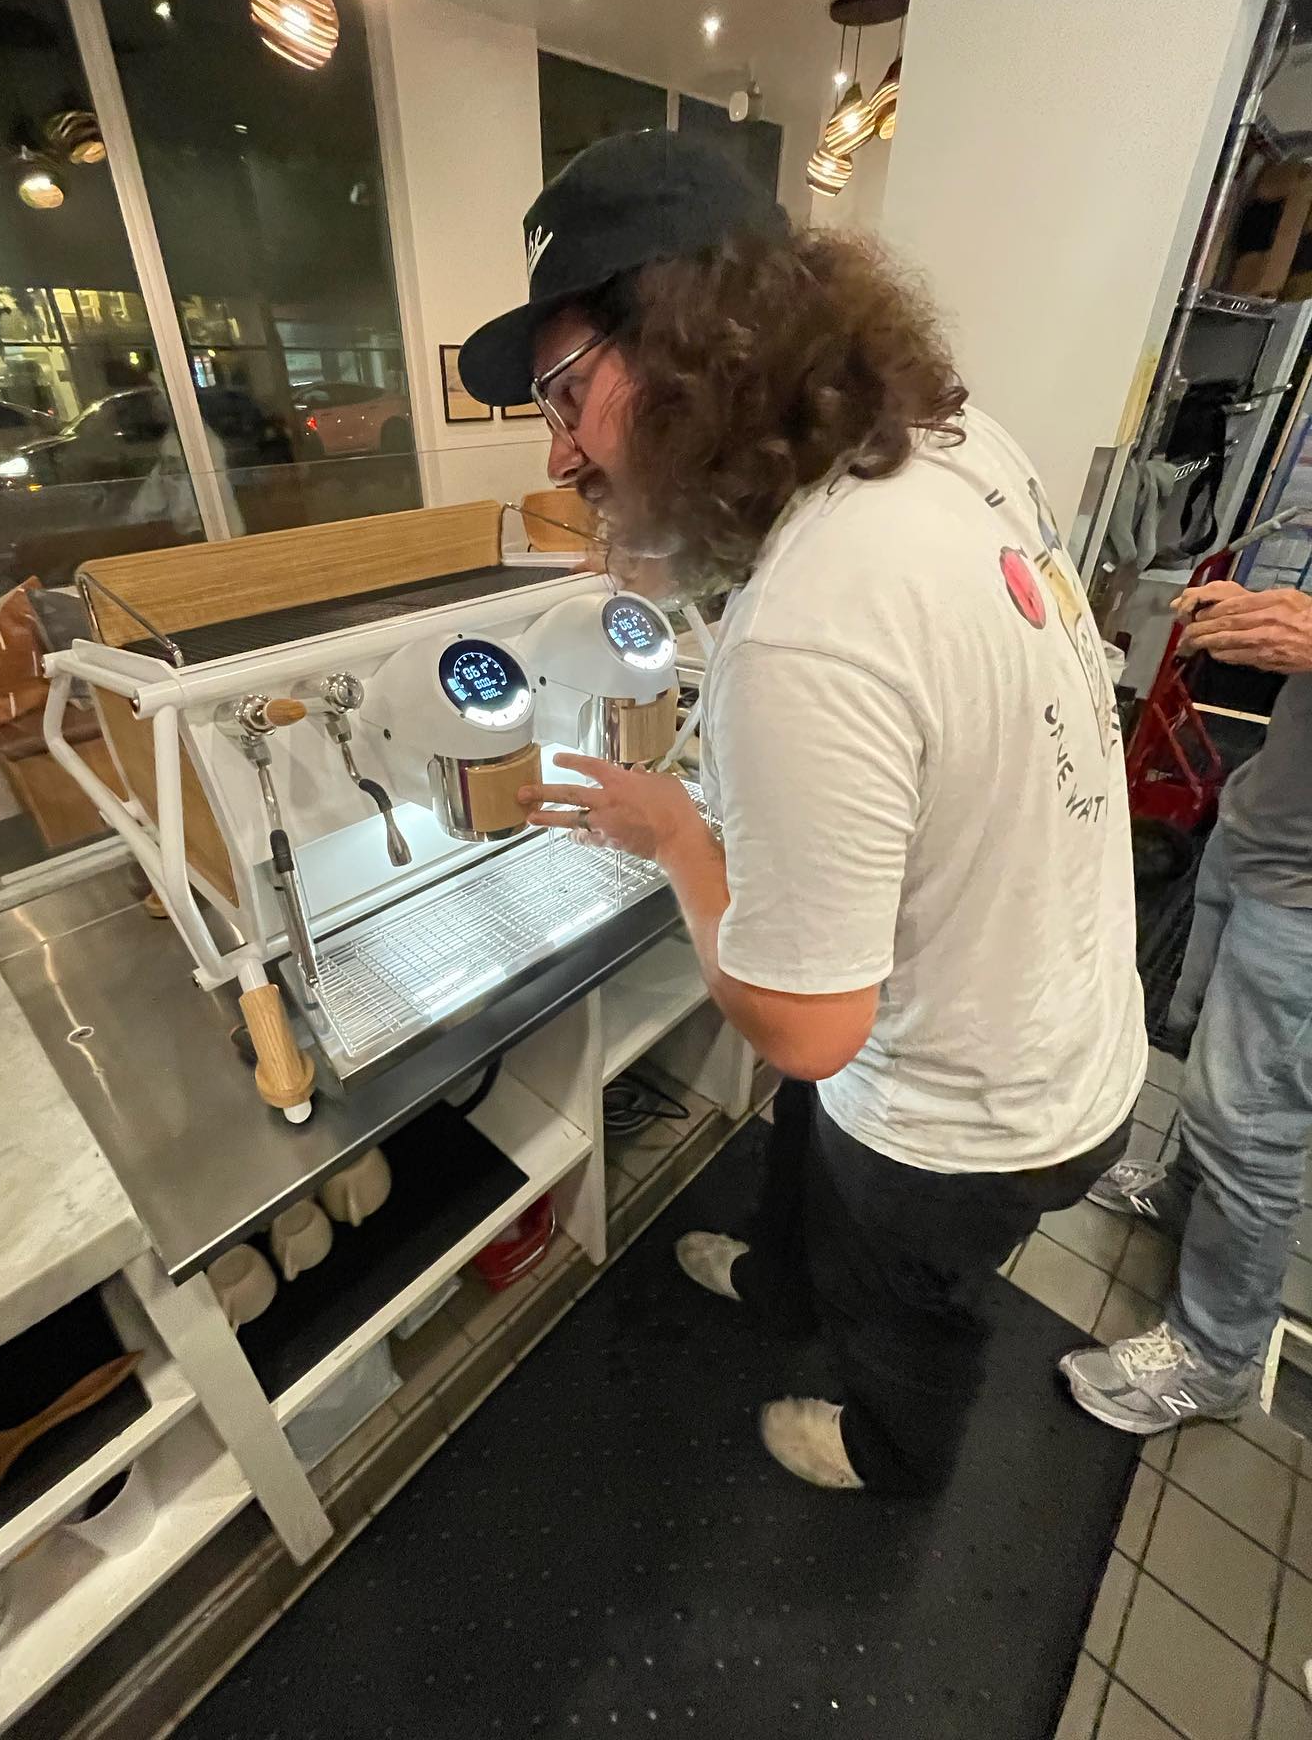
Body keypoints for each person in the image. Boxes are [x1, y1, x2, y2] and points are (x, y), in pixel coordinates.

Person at [458, 131, 1145, 1497]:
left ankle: (893, 1449)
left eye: (568, 393)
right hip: (1066, 1017)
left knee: (905, 1293)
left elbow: (807, 1032)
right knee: (806, 1165)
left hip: (973, 1120)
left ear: (688, 351)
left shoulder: (810, 624)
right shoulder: (947, 445)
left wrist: (679, 837)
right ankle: (779, 1282)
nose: (560, 450)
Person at [1062, 578, 1312, 1434]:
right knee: (1205, 1046)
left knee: (1252, 1120)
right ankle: (1184, 1192)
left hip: (1304, 899)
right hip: (1266, 828)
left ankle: (1216, 1356)